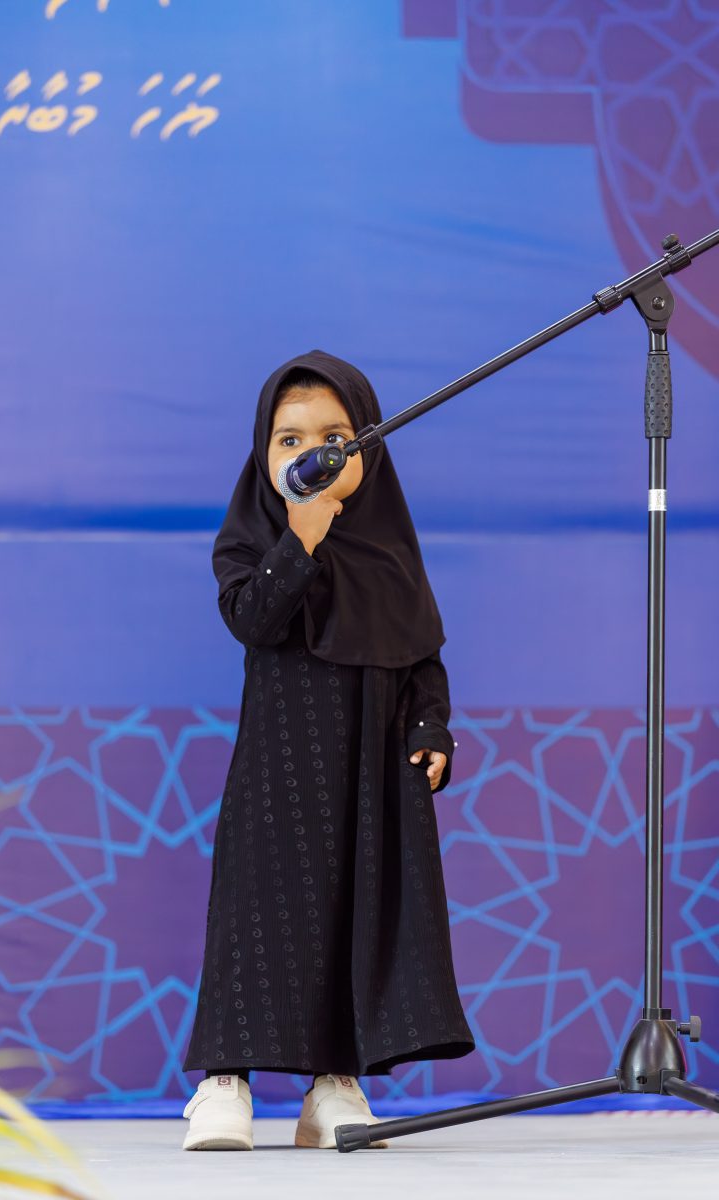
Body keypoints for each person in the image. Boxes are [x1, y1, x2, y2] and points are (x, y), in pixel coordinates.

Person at [182, 350, 474, 1150]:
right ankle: (224, 1081)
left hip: (372, 771)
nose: (313, 454)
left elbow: (421, 656)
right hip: (280, 766)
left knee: (357, 910)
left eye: (335, 438)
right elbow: (253, 619)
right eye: (291, 440)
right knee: (257, 911)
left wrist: (431, 730)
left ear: (369, 447)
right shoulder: (252, 539)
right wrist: (300, 541)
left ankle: (335, 1084)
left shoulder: (391, 555)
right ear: (264, 454)